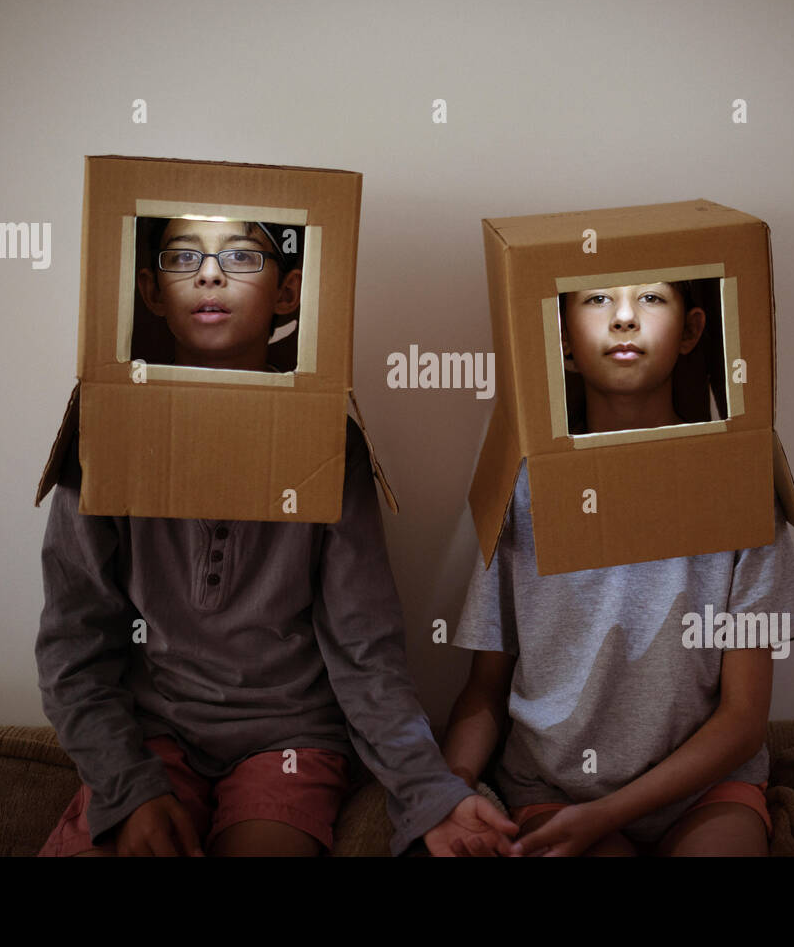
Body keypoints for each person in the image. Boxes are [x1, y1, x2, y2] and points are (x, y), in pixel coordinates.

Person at [36, 217, 518, 856]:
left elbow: (364, 650)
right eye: (185, 258)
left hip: (290, 738)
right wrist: (128, 786)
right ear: (151, 291)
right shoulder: (106, 436)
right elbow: (74, 645)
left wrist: (429, 791)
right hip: (150, 731)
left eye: (240, 256)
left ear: (289, 293)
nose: (211, 274)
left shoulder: (331, 447)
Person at [441, 279, 794, 856]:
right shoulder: (523, 491)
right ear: (561, 338)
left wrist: (607, 815)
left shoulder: (739, 488)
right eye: (596, 299)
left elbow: (744, 717)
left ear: (692, 329)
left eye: (651, 298)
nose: (623, 318)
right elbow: (484, 690)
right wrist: (451, 790)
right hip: (555, 787)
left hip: (705, 788)